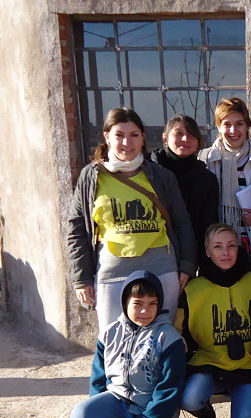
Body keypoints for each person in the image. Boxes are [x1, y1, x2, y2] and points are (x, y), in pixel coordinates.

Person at [67, 107, 196, 335]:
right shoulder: (91, 177)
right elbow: (76, 229)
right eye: (119, 135)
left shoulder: (161, 176)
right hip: (112, 273)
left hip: (161, 269)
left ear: (143, 138)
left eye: (134, 135)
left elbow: (182, 223)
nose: (127, 142)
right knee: (113, 342)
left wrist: (186, 265)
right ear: (107, 136)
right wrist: (81, 278)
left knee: (160, 341)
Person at [71, 270, 186, 418]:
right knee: (81, 416)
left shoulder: (168, 337)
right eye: (138, 303)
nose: (145, 310)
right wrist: (96, 403)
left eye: (152, 303)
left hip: (152, 409)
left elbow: (170, 387)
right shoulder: (110, 332)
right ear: (125, 302)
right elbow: (99, 377)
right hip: (118, 401)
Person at [177, 224, 251, 418]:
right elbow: (182, 334)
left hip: (247, 367)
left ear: (239, 248)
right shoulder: (193, 288)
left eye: (231, 246)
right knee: (189, 398)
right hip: (210, 364)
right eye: (217, 247)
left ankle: (250, 399)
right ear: (207, 251)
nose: (225, 253)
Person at [199, 97, 251, 278]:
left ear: (247, 126)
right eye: (227, 124)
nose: (233, 131)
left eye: (239, 124)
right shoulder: (205, 161)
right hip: (221, 252)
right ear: (218, 127)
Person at [151, 114, 219, 262]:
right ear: (165, 138)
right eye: (179, 134)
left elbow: (208, 226)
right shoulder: (149, 172)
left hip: (191, 257)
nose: (185, 139)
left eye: (191, 135)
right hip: (153, 253)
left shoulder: (206, 179)